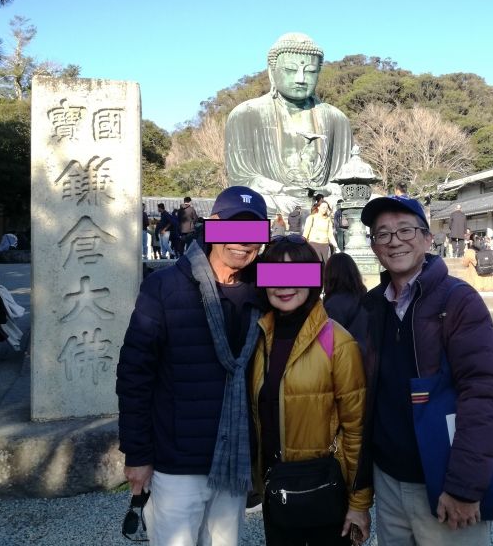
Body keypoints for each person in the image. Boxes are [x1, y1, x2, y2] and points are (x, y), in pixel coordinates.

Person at [117, 186, 268, 546]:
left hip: (233, 461)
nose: (243, 242)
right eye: (233, 228)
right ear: (213, 225)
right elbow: (134, 375)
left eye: (254, 232)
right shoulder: (164, 287)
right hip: (177, 462)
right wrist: (137, 454)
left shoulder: (265, 292)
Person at [355, 194, 493, 545]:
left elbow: (485, 389)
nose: (395, 241)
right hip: (388, 480)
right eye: (383, 234)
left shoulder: (457, 300)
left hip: (442, 479)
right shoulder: (372, 305)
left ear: (428, 238)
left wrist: (464, 486)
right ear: (375, 247)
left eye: (405, 230)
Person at [250, 238, 371, 544]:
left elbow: (356, 429)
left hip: (326, 489)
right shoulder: (259, 339)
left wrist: (358, 503)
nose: (284, 285)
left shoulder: (338, 342)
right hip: (277, 488)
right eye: (274, 275)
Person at [225, 33, 352, 212]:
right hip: (276, 200)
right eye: (291, 70)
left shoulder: (337, 118)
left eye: (309, 71)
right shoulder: (246, 114)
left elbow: (344, 180)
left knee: (371, 201)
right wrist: (283, 189)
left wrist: (326, 190)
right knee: (243, 201)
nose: (300, 79)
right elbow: (242, 179)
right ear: (271, 71)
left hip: (322, 202)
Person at [323, 252, 369, 348]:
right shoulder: (365, 297)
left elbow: (328, 341)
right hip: (365, 354)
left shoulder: (333, 304)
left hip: (346, 356)